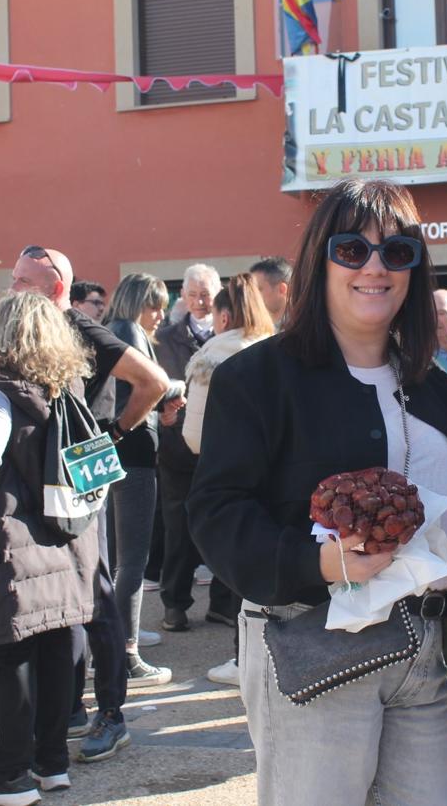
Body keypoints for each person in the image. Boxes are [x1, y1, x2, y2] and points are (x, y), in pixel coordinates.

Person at [187, 179, 447, 806]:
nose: (375, 267)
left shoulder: (437, 389)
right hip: (312, 645)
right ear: (320, 257)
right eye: (353, 250)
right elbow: (216, 510)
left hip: (424, 650)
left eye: (396, 252)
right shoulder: (259, 377)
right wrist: (316, 562)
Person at [12, 245, 168, 763]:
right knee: (60, 594)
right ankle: (70, 708)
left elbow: (154, 381)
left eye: (23, 282)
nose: (12, 291)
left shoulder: (80, 328)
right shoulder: (21, 329)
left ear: (55, 287)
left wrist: (116, 434)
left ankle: (112, 713)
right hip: (38, 473)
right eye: (12, 280)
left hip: (83, 466)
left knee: (96, 590)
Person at [0, 291, 100, 805]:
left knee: (12, 652)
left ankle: (10, 774)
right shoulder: (69, 386)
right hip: (68, 534)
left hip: (15, 539)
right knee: (58, 646)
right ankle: (51, 765)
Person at [181, 273, 276, 687]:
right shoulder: (278, 348)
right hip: (283, 478)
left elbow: (194, 436)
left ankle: (245, 660)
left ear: (223, 313)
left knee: (242, 573)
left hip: (234, 480)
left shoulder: (213, 353)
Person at [103, 273, 186, 687]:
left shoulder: (110, 329)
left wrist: (160, 411)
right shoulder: (128, 330)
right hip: (131, 452)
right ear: (140, 302)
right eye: (156, 305)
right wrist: (177, 387)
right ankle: (126, 652)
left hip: (117, 450)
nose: (161, 315)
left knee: (117, 558)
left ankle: (117, 638)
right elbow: (150, 384)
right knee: (131, 560)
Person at [154, 264, 222, 633]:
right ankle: (174, 604)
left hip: (219, 446)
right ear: (182, 295)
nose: (199, 301)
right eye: (193, 293)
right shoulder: (164, 339)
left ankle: (223, 605)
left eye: (206, 294)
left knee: (223, 523)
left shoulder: (226, 336)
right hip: (177, 447)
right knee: (177, 530)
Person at [248, 256, 293, 328]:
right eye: (251, 290)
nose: (252, 295)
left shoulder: (303, 327)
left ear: (282, 289)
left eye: (258, 289)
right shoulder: (252, 329)